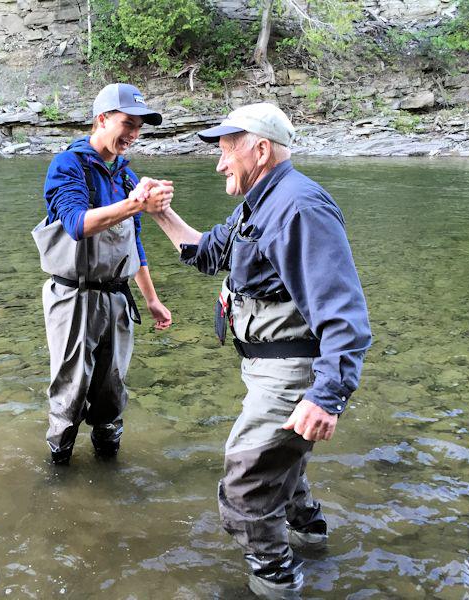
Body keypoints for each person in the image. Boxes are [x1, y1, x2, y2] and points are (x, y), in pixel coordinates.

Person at [148, 103, 371, 599]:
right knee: (282, 479)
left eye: (228, 150)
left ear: (261, 149)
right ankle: (316, 553)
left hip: (292, 373)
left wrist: (327, 396)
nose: (220, 163)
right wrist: (160, 213)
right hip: (266, 368)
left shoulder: (299, 207)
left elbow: (344, 315)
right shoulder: (257, 202)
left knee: (246, 491)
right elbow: (208, 253)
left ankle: (276, 584)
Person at [32, 83, 174, 466]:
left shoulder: (127, 177)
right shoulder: (68, 165)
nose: (132, 134)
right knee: (71, 390)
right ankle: (58, 468)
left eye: (139, 127)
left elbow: (135, 245)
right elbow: (77, 224)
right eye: (127, 123)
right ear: (102, 119)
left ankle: (108, 467)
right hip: (73, 298)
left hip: (117, 297)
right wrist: (134, 205)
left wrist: (152, 299)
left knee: (112, 392)